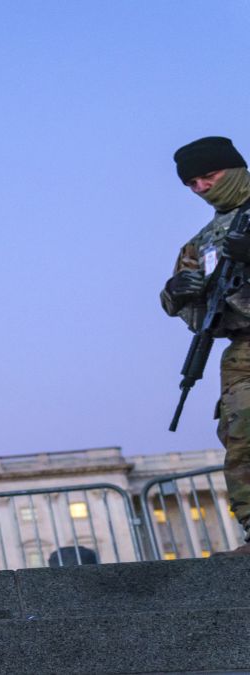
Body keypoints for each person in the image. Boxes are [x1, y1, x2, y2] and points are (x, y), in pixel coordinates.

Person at [162, 136, 250, 557]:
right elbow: (178, 303)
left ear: (233, 168)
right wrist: (177, 290)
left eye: (208, 176)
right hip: (243, 345)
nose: (201, 188)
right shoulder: (202, 240)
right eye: (192, 183)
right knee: (242, 434)